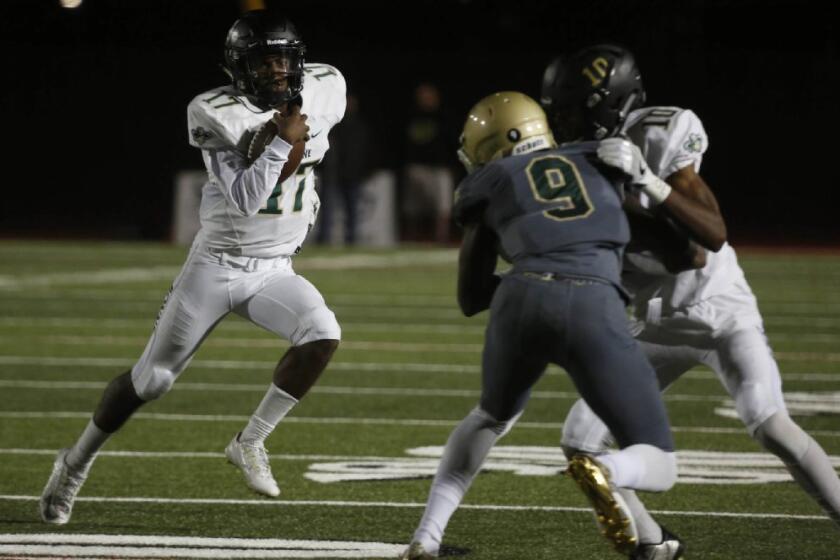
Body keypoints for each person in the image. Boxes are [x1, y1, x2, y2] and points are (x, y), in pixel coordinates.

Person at [39, 10, 346, 525]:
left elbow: (309, 140)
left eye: (283, 60)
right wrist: (279, 141)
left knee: (322, 334)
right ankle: (73, 463)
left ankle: (249, 442)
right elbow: (248, 199)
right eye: (264, 62)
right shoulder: (213, 110)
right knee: (152, 380)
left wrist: (285, 141)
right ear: (238, 68)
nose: (276, 72)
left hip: (275, 267)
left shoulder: (327, 83)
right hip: (218, 265)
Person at [542, 44, 840, 558]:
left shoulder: (657, 134)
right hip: (654, 321)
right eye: (559, 110)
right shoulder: (568, 166)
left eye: (574, 108)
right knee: (580, 441)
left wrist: (648, 181)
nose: (564, 121)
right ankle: (653, 544)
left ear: (609, 104)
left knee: (771, 425)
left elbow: (707, 242)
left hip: (721, 312)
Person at [400, 92, 678, 559]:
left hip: (520, 294)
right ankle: (607, 470)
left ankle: (427, 538)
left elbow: (470, 298)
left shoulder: (489, 182)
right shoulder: (603, 155)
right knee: (661, 465)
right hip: (594, 298)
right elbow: (679, 249)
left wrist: (530, 280)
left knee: (492, 415)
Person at [316, 93, 373, 245]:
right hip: (332, 175)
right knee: (327, 211)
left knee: (352, 212)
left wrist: (364, 171)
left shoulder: (360, 126)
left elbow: (366, 152)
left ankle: (351, 240)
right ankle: (323, 239)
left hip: (352, 176)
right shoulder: (331, 125)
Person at [402, 82, 455, 243]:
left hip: (439, 168)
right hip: (416, 167)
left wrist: (451, 165)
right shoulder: (411, 116)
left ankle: (441, 238)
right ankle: (412, 239)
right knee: (413, 209)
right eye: (422, 96)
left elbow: (452, 142)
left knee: (442, 208)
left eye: (428, 95)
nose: (425, 99)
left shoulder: (444, 117)